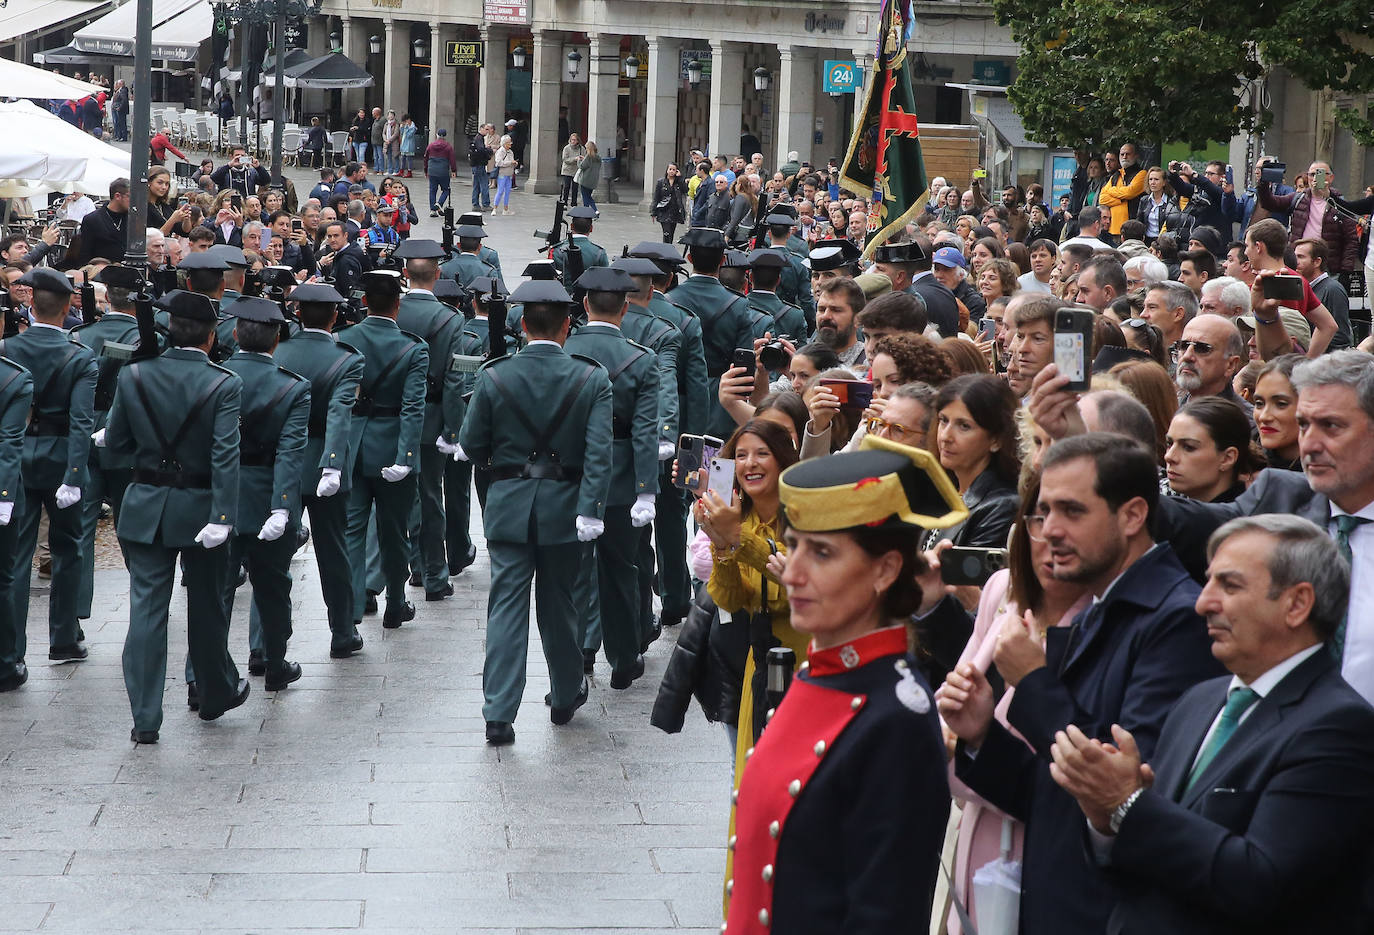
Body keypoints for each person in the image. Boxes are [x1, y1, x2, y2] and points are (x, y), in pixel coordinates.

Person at [939, 432, 1223, 935]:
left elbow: (1121, 797)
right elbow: (1046, 793)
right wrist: (982, 734)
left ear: (1133, 515)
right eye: (1043, 513)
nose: (1049, 531)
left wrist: (1031, 683)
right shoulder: (1104, 602)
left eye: (1072, 511)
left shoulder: (1174, 619)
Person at [1050, 514, 1374, 935]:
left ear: (1297, 604)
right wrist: (1104, 819)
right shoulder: (1197, 701)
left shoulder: (1338, 727)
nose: (1204, 603)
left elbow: (1259, 882)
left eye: (1230, 585)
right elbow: (1143, 856)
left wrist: (1128, 806)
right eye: (1208, 582)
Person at [726, 434, 962, 933]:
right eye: (793, 547)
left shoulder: (897, 716)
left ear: (885, 570)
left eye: (823, 553)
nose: (793, 573)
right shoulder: (823, 667)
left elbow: (884, 916)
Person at [458, 278, 612, 746]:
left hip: (508, 507)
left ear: (522, 326)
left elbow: (469, 443)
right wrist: (591, 509)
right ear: (568, 327)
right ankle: (565, 693)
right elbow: (599, 452)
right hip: (567, 508)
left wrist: (502, 469)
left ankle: (499, 713)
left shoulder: (494, 374)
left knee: (506, 604)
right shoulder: (592, 377)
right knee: (560, 605)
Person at [102, 290, 251, 743]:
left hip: (146, 503)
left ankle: (145, 719)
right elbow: (226, 453)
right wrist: (224, 514)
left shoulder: (134, 376)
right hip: (201, 506)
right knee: (207, 607)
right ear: (210, 338)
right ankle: (213, 694)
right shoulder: (224, 383)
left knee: (146, 611)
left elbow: (117, 443)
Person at [565, 268, 660, 680]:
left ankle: (582, 648)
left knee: (574, 570)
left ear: (585, 306)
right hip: (621, 476)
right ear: (626, 307)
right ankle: (622, 659)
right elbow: (644, 432)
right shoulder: (642, 360)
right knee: (621, 569)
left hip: (570, 469)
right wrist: (646, 490)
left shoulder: (563, 349)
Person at [0, 268, 97, 666]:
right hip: (61, 456)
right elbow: (81, 421)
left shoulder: (6, 349)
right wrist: (75, 474)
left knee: (15, 557)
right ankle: (63, 637)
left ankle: (11, 651)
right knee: (69, 548)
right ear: (66, 307)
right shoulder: (80, 357)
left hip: (16, 455)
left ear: (32, 307)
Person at [215, 296, 309, 693]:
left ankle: (200, 676)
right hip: (267, 493)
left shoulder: (214, 375)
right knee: (273, 588)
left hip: (219, 495)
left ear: (235, 335)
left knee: (213, 593)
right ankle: (274, 661)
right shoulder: (292, 387)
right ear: (275, 342)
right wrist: (283, 507)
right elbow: (290, 453)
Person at [271, 282, 365, 657]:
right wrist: (332, 465)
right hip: (324, 460)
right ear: (336, 317)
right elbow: (340, 414)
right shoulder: (347, 358)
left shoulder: (278, 352)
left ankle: (265, 644)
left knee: (272, 559)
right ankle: (342, 632)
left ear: (297, 314)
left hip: (282, 462)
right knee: (334, 553)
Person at [394, 240, 468, 600]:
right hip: (432, 416)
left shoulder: (391, 312)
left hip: (393, 418)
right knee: (430, 496)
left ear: (405, 273)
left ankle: (412, 566)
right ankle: (433, 574)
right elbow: (455, 380)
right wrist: (453, 430)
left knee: (401, 499)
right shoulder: (450, 319)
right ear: (437, 276)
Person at [71, 266, 145, 624]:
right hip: (128, 437)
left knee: (80, 528)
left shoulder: (81, 334)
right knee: (132, 525)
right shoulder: (148, 337)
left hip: (83, 432)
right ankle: (145, 599)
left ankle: (75, 610)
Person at [670, 228, 755, 438]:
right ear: (723, 260)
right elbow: (744, 365)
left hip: (678, 397)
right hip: (721, 400)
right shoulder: (738, 305)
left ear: (689, 258)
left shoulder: (669, 301)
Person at [924, 373, 1020, 550]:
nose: (945, 436)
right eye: (943, 420)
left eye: (964, 426)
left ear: (996, 440)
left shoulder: (1001, 506)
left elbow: (965, 576)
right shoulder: (940, 489)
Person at [1164, 397, 1256, 502]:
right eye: (1169, 444)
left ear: (1227, 458)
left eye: (1188, 447)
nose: (1169, 456)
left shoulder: (1249, 514)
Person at [1252, 353, 1303, 470]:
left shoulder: (1336, 475)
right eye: (1259, 403)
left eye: (1281, 404)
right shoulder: (1239, 468)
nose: (1264, 417)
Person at [76, 179, 131, 265]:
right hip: (101, 273)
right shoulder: (92, 219)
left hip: (130, 272)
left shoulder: (134, 218)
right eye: (131, 196)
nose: (135, 201)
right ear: (117, 196)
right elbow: (84, 254)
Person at [423, 129, 457, 216]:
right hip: (443, 171)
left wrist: (426, 170)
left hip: (432, 171)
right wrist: (453, 170)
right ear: (445, 136)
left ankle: (432, 210)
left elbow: (426, 158)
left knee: (432, 190)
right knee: (446, 189)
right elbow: (452, 159)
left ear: (437, 135)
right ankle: (439, 203)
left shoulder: (430, 146)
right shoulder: (448, 147)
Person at [651, 163, 687, 243]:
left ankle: (669, 248)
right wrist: (653, 212)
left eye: (674, 170)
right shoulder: (661, 182)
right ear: (667, 170)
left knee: (671, 233)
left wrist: (680, 178)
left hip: (675, 210)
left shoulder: (678, 182)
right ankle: (666, 249)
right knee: (666, 233)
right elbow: (656, 197)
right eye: (670, 169)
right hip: (664, 210)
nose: (671, 171)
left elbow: (685, 190)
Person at [491, 135, 518, 216]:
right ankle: (495, 208)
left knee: (507, 192)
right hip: (502, 174)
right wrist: (510, 163)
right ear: (504, 143)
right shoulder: (500, 151)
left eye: (510, 143)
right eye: (508, 143)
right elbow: (498, 163)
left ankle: (505, 209)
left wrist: (514, 164)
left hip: (509, 175)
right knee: (500, 191)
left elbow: (511, 162)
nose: (510, 145)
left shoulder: (510, 152)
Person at [559, 133, 586, 206]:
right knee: (566, 186)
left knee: (575, 187)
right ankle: (564, 201)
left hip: (576, 170)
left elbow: (585, 158)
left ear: (578, 141)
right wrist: (575, 159)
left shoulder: (582, 148)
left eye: (574, 140)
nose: (573, 141)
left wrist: (581, 159)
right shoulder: (566, 148)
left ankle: (574, 202)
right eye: (572, 140)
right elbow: (565, 159)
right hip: (567, 170)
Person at [574, 140, 601, 213]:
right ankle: (595, 211)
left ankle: (587, 212)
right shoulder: (598, 158)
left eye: (586, 148)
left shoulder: (588, 156)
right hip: (593, 181)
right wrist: (584, 159)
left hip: (585, 180)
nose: (585, 149)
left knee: (585, 197)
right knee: (589, 197)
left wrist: (579, 160)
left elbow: (582, 166)